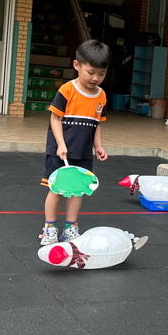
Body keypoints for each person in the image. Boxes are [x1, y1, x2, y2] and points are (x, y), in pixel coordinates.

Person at [40, 39, 110, 245]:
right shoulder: (67, 90)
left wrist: (98, 146)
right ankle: (50, 228)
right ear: (77, 65)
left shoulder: (101, 96)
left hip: (83, 153)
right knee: (56, 190)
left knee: (77, 191)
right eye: (91, 72)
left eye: (101, 74)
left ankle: (70, 228)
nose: (95, 78)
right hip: (60, 152)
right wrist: (61, 144)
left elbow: (97, 123)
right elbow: (55, 118)